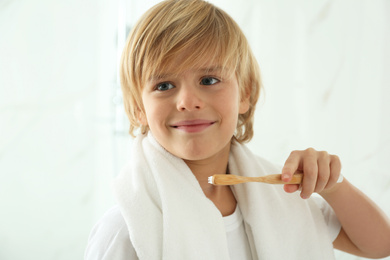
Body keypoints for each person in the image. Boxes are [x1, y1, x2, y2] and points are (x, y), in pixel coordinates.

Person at [85, 0, 390, 259]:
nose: (188, 102)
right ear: (139, 108)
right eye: (164, 85)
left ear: (244, 93)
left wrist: (333, 185)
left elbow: (379, 245)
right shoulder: (127, 229)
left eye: (208, 80)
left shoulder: (282, 202)